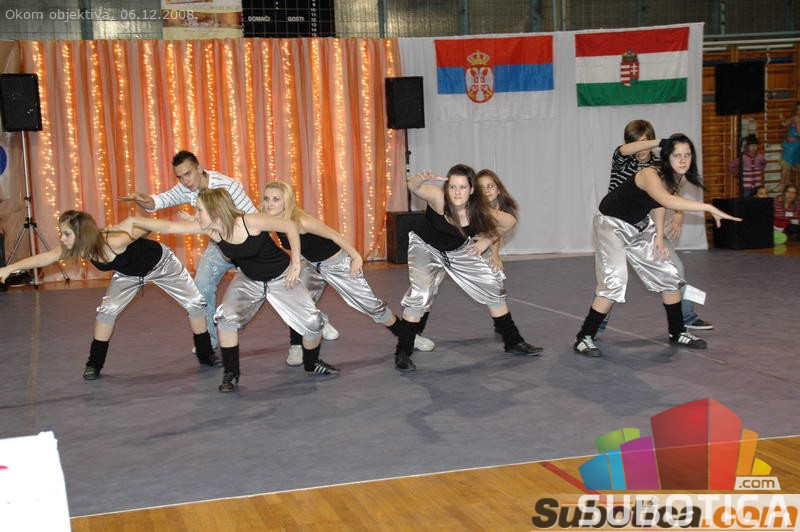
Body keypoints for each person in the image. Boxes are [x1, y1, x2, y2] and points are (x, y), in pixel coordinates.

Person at [118, 150, 339, 352]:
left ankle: (315, 320)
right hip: (220, 245)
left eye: (188, 174)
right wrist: (145, 201)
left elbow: (249, 218)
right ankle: (211, 339)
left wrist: (207, 224)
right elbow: (159, 202)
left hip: (247, 244)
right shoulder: (185, 188)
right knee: (202, 284)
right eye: (180, 177)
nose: (185, 181)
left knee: (274, 293)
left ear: (199, 168)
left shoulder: (227, 186)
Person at [121, 188, 337, 393]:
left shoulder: (250, 221)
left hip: (281, 277)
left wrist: (296, 263)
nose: (196, 215)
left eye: (199, 210)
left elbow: (289, 226)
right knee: (226, 319)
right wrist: (134, 221)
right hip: (249, 279)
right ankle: (231, 373)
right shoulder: (213, 230)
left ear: (215, 211)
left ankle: (311, 364)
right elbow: (169, 227)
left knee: (312, 323)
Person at [574, 134, 741, 358]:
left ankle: (677, 332)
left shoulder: (677, 178)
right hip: (610, 225)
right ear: (667, 157)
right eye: (677, 155)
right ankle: (584, 337)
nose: (683, 160)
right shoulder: (649, 174)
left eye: (687, 155)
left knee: (668, 275)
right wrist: (708, 207)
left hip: (639, 226)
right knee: (615, 281)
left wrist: (659, 236)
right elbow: (667, 200)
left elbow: (659, 205)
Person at [0, 210, 218, 379]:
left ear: (82, 234)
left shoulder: (114, 240)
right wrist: (9, 268)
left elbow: (150, 225)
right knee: (107, 312)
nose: (62, 238)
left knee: (195, 304)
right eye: (62, 233)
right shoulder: (76, 247)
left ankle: (205, 353)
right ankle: (93, 364)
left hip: (162, 265)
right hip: (128, 274)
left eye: (66, 233)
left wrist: (134, 226)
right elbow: (46, 257)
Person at [262, 181, 434, 366]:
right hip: (311, 265)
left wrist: (356, 257)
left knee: (372, 306)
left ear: (287, 201)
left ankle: (409, 337)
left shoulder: (301, 221)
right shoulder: (270, 220)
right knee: (297, 302)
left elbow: (333, 235)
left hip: (337, 264)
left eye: (276, 199)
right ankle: (297, 345)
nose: (270, 203)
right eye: (266, 199)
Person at [392, 164, 543, 372]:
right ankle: (403, 352)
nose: (457, 192)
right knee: (422, 293)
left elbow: (509, 221)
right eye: (453, 187)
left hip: (458, 251)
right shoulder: (439, 198)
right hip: (426, 248)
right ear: (447, 188)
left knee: (493, 287)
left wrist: (488, 239)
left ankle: (513, 341)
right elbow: (414, 186)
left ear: (472, 190)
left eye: (462, 187)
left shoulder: (479, 210)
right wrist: (419, 178)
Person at [603, 119, 713, 331]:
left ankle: (687, 316)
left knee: (676, 269)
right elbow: (624, 149)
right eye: (637, 143)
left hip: (645, 228)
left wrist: (679, 214)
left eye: (645, 142)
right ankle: (597, 324)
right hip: (616, 227)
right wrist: (659, 142)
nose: (641, 148)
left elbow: (670, 195)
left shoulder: (658, 166)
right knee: (612, 278)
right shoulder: (622, 160)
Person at [476, 169, 518, 271]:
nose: (486, 190)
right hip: (460, 244)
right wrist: (494, 254)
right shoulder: (474, 207)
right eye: (481, 188)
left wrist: (495, 254)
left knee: (495, 270)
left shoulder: (503, 208)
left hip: (482, 242)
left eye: (490, 186)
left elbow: (496, 232)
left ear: (498, 190)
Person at [780, 102, 800, 186]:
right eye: (798, 109)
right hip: (790, 145)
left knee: (787, 164)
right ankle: (785, 183)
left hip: (795, 145)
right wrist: (781, 116)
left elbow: (799, 133)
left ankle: (783, 183)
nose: (799, 111)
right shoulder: (795, 118)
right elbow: (784, 124)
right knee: (787, 164)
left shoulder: (797, 119)